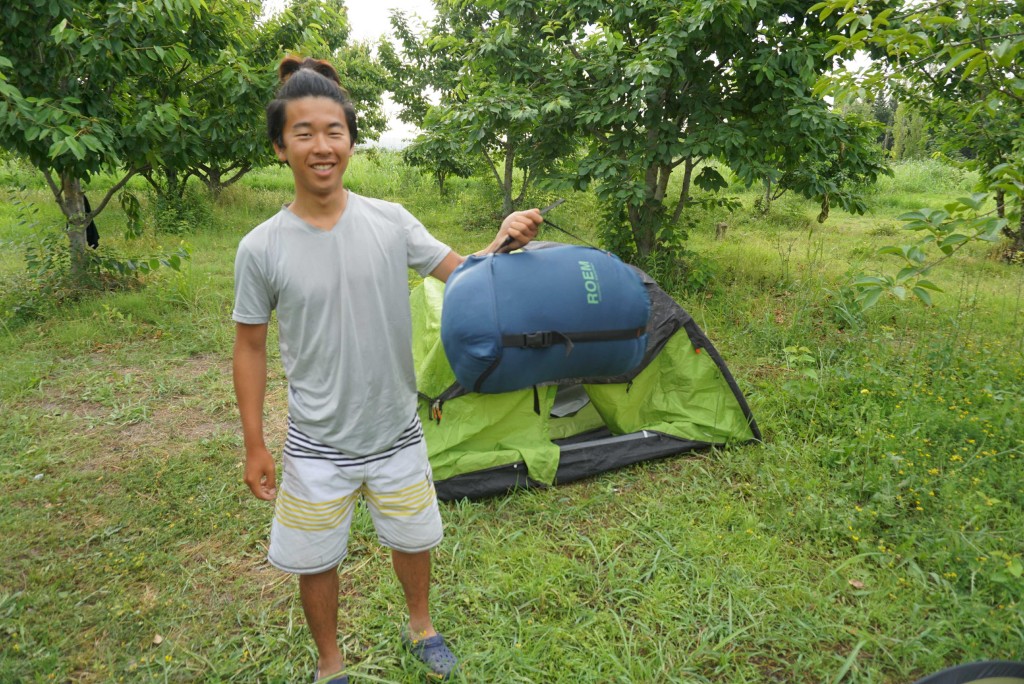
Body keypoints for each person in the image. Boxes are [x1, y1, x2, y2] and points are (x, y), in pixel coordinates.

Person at [231, 56, 542, 684]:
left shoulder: (390, 221)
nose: (321, 147)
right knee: (317, 560)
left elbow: (464, 275)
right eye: (304, 133)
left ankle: (422, 627)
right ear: (279, 147)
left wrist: (503, 239)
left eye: (334, 132)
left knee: (413, 539)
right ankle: (330, 662)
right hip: (316, 442)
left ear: (350, 138)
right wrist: (255, 442)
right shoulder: (261, 246)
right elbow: (251, 346)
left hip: (397, 428)